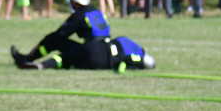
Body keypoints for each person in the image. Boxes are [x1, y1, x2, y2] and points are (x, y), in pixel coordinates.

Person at [10, 0, 111, 69]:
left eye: (71, 0)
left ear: (76, 1)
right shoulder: (97, 11)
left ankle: (28, 59)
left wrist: (42, 42)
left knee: (54, 40)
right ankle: (29, 59)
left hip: (90, 50)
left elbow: (60, 34)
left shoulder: (79, 15)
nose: (70, 3)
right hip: (105, 50)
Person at [16, 35, 155, 72]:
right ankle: (44, 66)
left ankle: (41, 64)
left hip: (97, 47)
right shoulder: (137, 60)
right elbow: (123, 66)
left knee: (67, 56)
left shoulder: (128, 41)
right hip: (101, 63)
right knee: (70, 62)